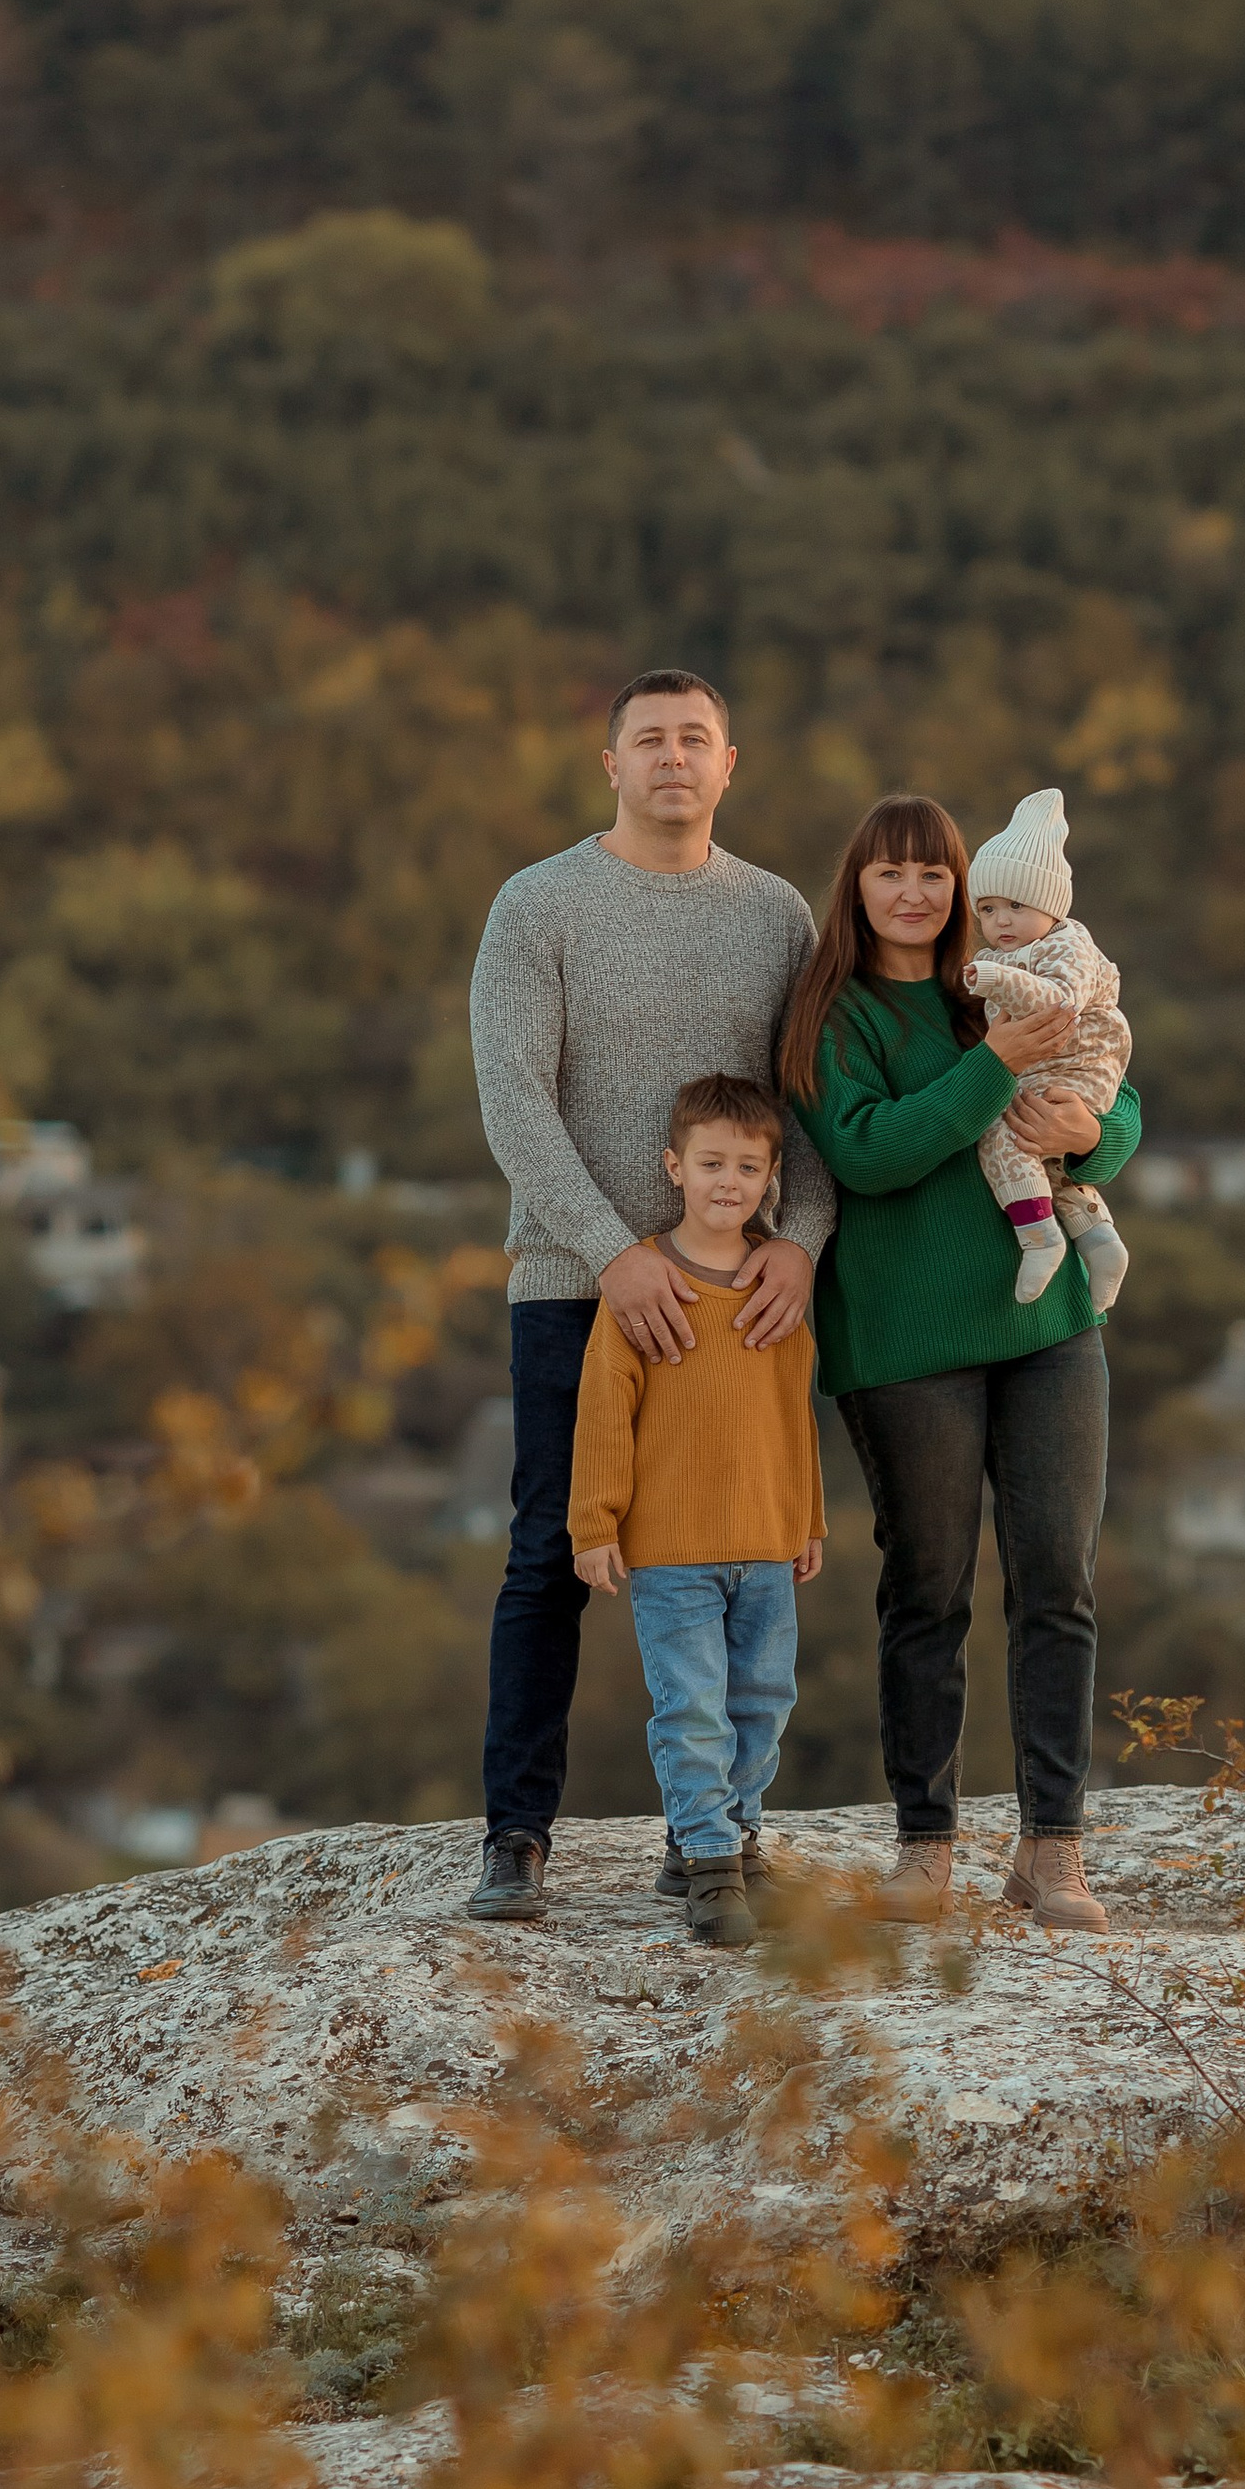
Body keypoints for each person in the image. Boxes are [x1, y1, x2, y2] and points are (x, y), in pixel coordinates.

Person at [464, 669, 835, 1922]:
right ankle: (517, 1835)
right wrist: (612, 1250)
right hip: (577, 1287)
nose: (672, 758)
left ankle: (712, 1834)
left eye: (695, 740)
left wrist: (806, 1241)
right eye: (648, 740)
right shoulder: (540, 905)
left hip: (738, 1296)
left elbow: (809, 1101)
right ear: (609, 765)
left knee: (744, 1576)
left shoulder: (777, 916)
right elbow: (513, 1097)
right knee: (549, 1556)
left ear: (731, 764)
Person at [778, 792, 1142, 1934]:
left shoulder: (1002, 975)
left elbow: (1117, 1104)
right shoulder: (834, 1015)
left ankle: (1052, 1848)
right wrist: (991, 1071)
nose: (914, 893)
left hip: (1049, 1328)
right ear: (857, 887)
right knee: (927, 1592)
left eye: (932, 873)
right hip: (903, 1343)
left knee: (1057, 1583)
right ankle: (924, 1847)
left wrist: (1084, 1133)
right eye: (889, 873)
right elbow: (869, 1153)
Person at [566, 1075, 827, 1952]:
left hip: (764, 1538)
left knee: (764, 1697)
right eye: (711, 1163)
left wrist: (809, 1519)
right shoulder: (644, 1285)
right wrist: (594, 1527)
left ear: (771, 1179)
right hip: (672, 1550)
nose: (728, 1182)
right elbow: (603, 1413)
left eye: (748, 1167)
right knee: (693, 1706)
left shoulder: (777, 1289)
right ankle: (710, 1864)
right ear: (673, 1167)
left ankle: (729, 1838)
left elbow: (796, 1415)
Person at [958, 786, 1133, 1309]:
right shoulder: (1011, 953)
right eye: (988, 909)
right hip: (1054, 1069)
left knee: (1000, 1132)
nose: (1001, 921)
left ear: (1050, 905)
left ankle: (1040, 1238)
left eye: (1016, 905)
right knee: (1044, 1157)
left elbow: (1058, 1003)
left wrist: (992, 979)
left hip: (1080, 1066)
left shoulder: (1066, 946)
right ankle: (1100, 1242)